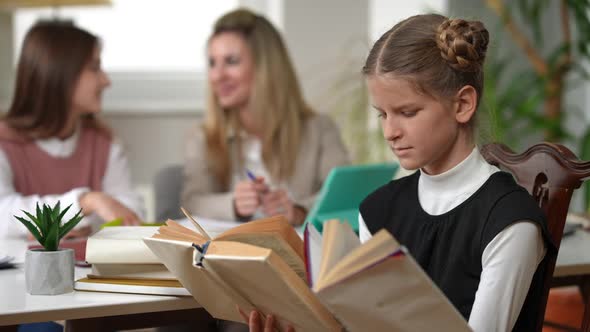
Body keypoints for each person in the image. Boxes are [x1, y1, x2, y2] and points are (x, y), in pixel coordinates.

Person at [244, 14, 555, 332]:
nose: (390, 131)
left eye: (407, 112)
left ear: (462, 104)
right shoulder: (378, 209)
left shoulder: (510, 221)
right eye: (382, 114)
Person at [181, 8, 350, 227]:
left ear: (266, 67)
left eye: (231, 61)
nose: (217, 75)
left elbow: (343, 197)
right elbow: (192, 202)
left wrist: (299, 210)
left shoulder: (319, 129)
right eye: (212, 63)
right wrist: (233, 204)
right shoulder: (203, 137)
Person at [0, 20, 145, 241]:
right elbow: (3, 214)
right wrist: (85, 202)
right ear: (59, 73)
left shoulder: (104, 143)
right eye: (94, 68)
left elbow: (132, 213)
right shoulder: (5, 142)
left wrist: (76, 220)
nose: (106, 81)